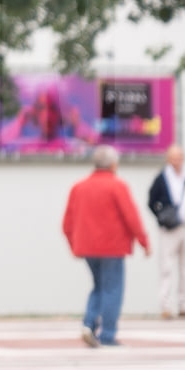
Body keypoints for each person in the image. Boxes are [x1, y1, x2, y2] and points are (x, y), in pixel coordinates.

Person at [63, 145, 151, 347]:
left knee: (99, 287)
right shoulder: (117, 186)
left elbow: (66, 223)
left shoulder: (79, 187)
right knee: (112, 289)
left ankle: (89, 324)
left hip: (87, 248)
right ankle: (108, 334)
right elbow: (132, 217)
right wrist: (143, 241)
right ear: (113, 165)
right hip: (113, 247)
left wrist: (73, 245)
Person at [146, 146, 185, 320]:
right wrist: (161, 217)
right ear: (168, 159)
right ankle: (165, 306)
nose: (177, 161)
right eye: (173, 158)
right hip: (169, 229)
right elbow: (151, 201)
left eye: (179, 157)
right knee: (166, 267)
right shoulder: (162, 178)